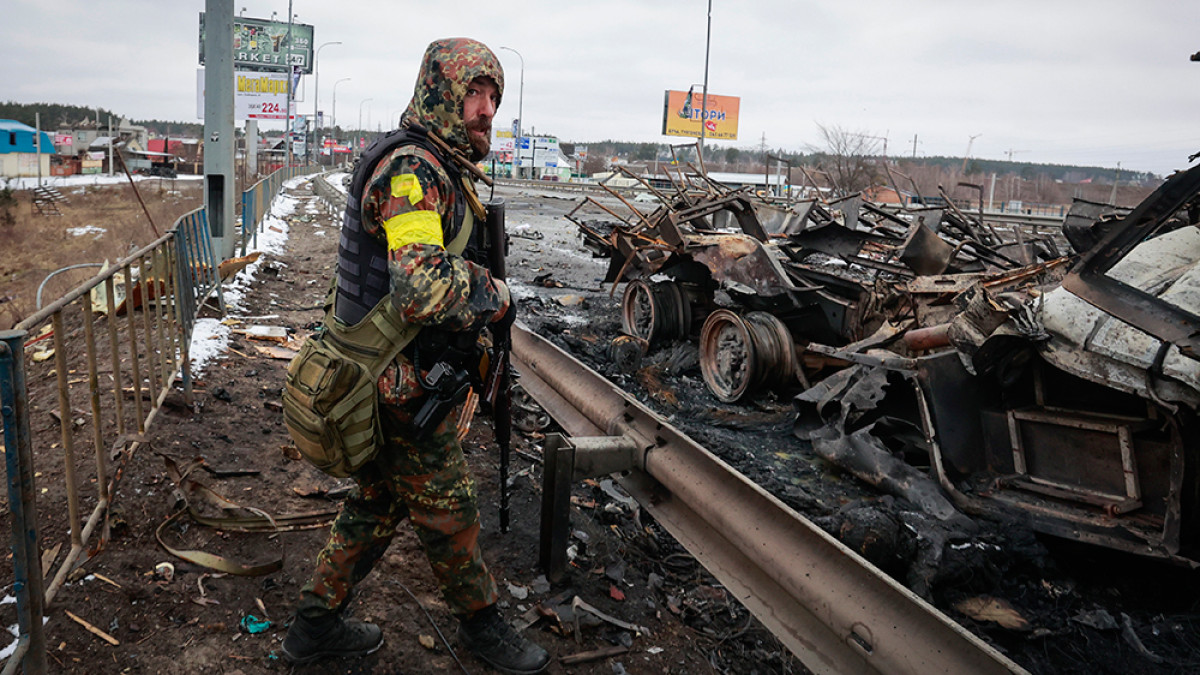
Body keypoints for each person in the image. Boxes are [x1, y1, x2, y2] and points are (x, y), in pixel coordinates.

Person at [281, 38, 550, 675]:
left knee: (379, 500)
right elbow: (423, 284)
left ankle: (311, 628)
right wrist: (499, 294)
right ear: (441, 95)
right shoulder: (413, 171)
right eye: (474, 95)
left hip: (396, 371)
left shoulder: (441, 165)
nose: (487, 110)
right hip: (391, 379)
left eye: (494, 98)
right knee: (449, 505)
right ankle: (484, 627)